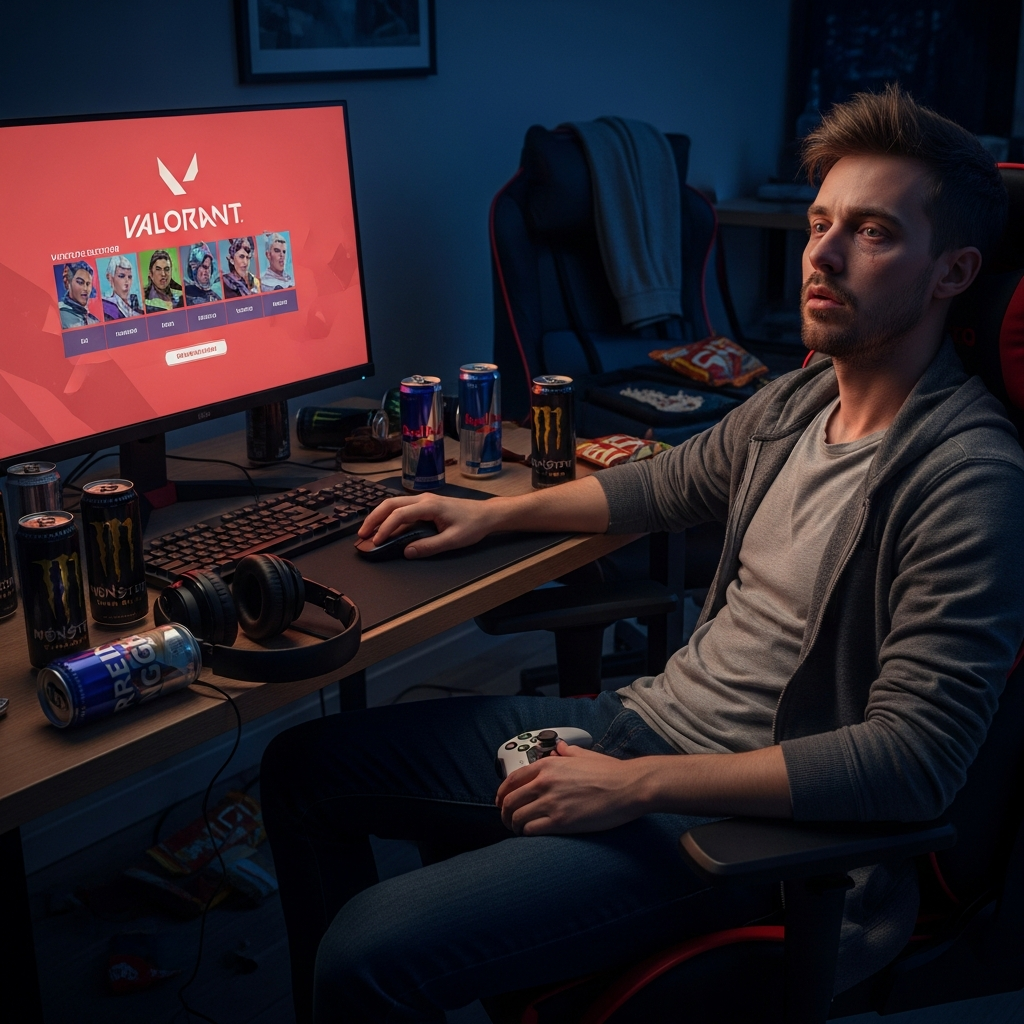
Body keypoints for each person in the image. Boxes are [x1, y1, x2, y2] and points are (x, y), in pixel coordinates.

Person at [260, 85, 1024, 1024]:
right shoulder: (801, 400)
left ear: (954, 272)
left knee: (365, 953)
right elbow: (663, 485)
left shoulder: (968, 477)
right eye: (820, 223)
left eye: (872, 233)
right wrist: (489, 517)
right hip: (644, 724)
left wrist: (635, 786)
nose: (821, 256)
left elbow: (914, 761)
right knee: (303, 770)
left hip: (745, 826)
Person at [57, 261, 100, 329]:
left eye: (88, 284)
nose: (85, 288)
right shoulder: (59, 316)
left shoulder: (94, 321)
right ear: (68, 282)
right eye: (80, 282)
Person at [100, 255, 144, 321]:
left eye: (130, 277)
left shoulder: (136, 303)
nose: (127, 282)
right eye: (121, 276)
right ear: (110, 278)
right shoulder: (107, 306)